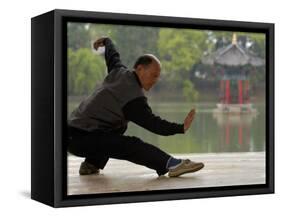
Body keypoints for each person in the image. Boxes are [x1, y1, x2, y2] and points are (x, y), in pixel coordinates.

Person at [67, 37, 204, 177]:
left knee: (120, 126)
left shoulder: (118, 71)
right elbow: (154, 124)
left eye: (157, 77)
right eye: (153, 75)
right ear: (139, 69)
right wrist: (180, 127)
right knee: (131, 145)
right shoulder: (133, 97)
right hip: (80, 138)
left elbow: (113, 56)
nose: (155, 81)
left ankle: (91, 164)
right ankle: (172, 164)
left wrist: (107, 42)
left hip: (73, 134)